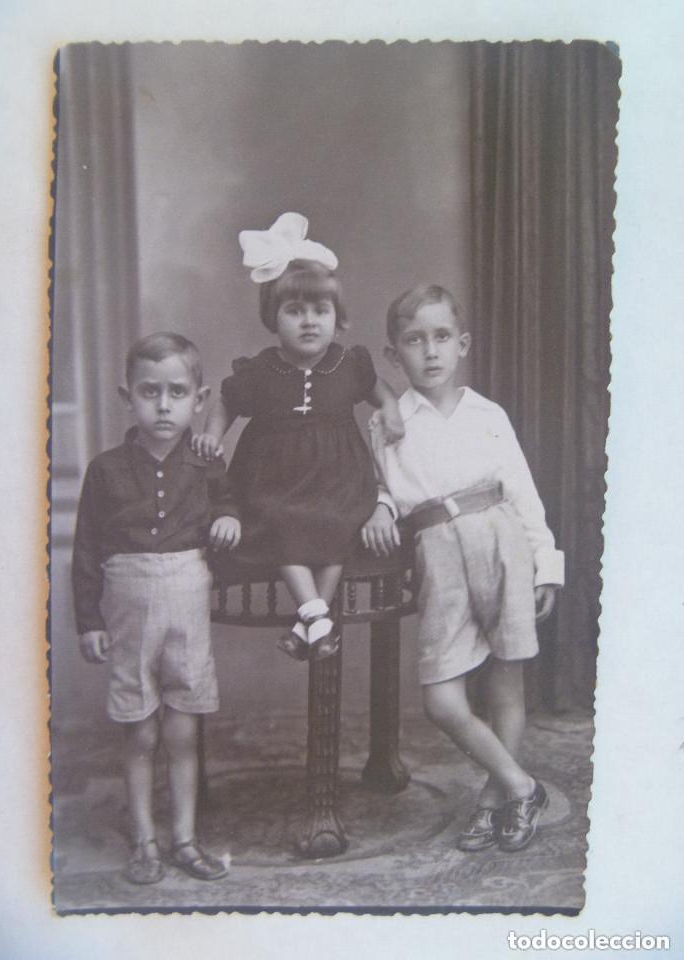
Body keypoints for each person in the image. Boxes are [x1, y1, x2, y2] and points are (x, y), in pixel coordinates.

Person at [363, 284, 564, 853]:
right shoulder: (389, 422)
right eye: (414, 340)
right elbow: (379, 487)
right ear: (392, 354)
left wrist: (545, 564)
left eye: (442, 337)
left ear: (463, 344)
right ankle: (523, 786)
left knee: (505, 678)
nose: (430, 351)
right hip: (438, 555)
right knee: (442, 701)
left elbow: (522, 491)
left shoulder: (487, 414)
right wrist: (380, 506)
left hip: (500, 541)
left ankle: (496, 799)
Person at [72, 332, 241, 885]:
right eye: (150, 392)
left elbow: (231, 503)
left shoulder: (207, 463)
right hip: (127, 605)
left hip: (187, 599)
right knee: (140, 731)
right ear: (128, 396)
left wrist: (229, 517)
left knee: (183, 731)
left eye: (176, 392)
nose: (164, 405)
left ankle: (185, 839)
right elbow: (88, 549)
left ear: (200, 397)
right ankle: (144, 839)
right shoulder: (105, 470)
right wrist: (89, 621)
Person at [195, 212, 401, 661]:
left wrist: (391, 411)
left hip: (339, 479)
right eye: (295, 311)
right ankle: (316, 618)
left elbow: (383, 395)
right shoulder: (262, 370)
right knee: (281, 521)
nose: (309, 321)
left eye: (320, 311)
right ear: (274, 317)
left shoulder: (349, 365)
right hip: (275, 480)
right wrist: (212, 434)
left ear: (337, 317)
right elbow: (226, 403)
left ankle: (311, 620)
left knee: (340, 525)